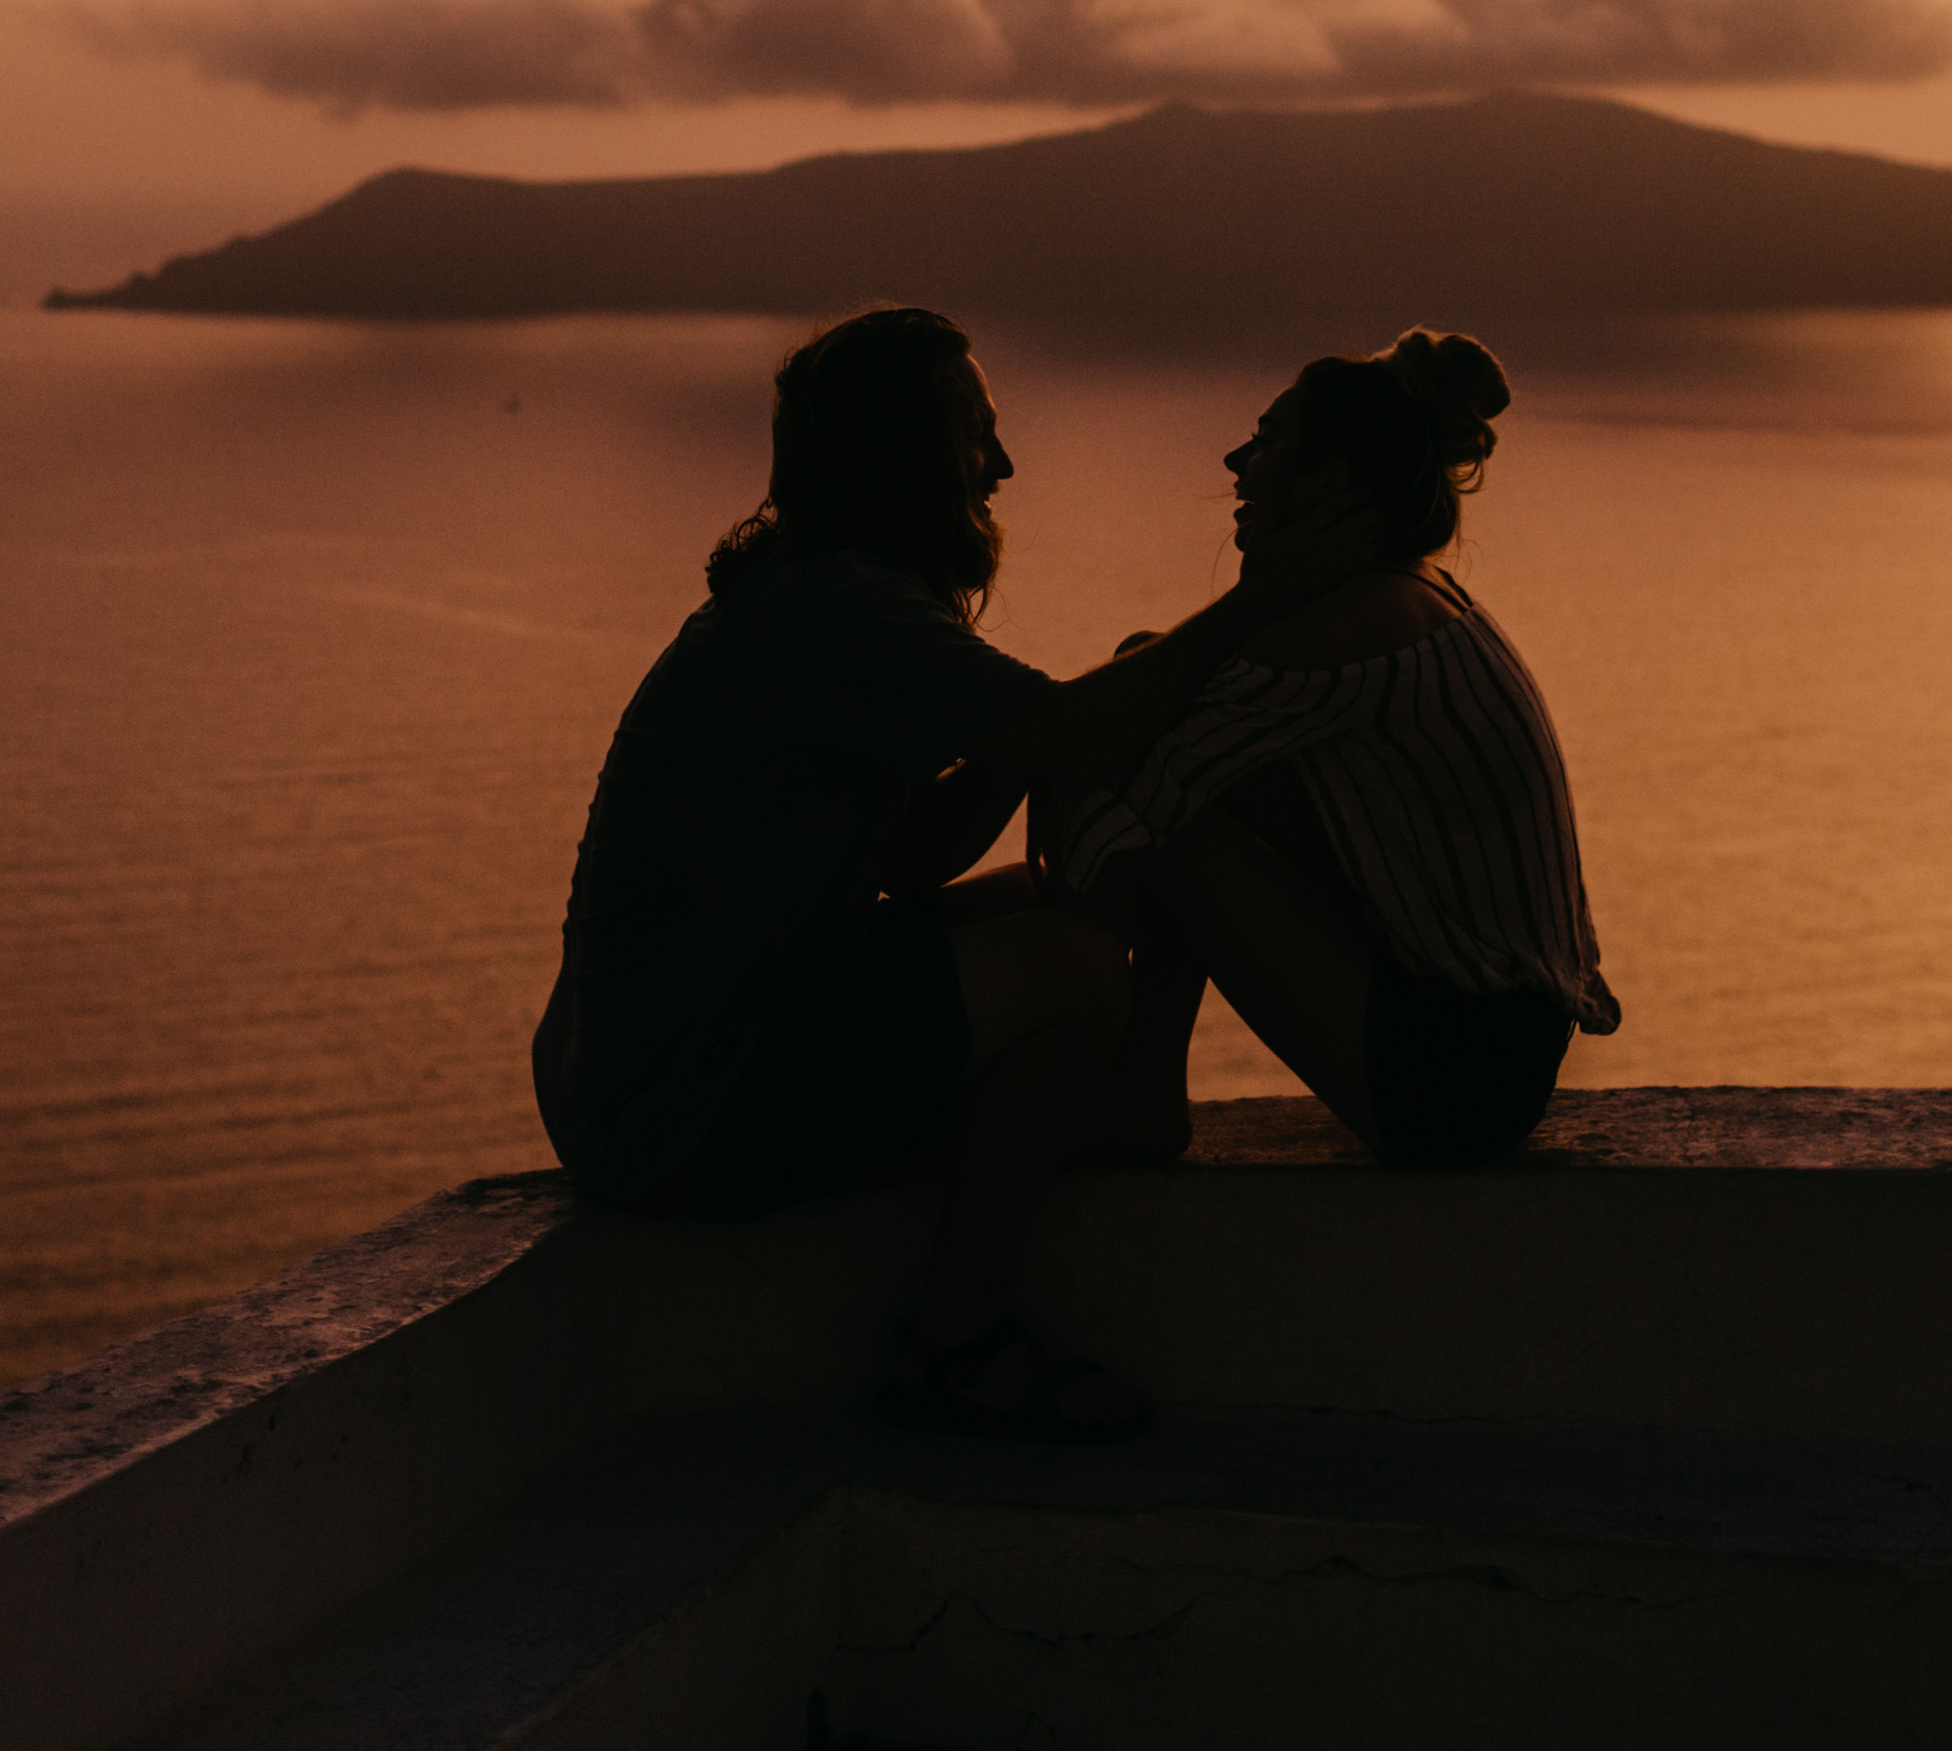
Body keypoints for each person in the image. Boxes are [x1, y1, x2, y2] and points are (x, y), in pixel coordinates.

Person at [530, 304, 1368, 1444]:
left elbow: (920, 853)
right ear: (906, 460)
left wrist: (1023, 737)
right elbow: (1075, 736)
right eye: (977, 434)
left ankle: (1085, 1127)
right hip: (681, 1114)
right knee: (1073, 965)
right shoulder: (845, 612)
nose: (1004, 465)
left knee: (1038, 910)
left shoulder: (811, 598)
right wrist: (1253, 602)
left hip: (642, 1082)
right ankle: (951, 1341)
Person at [1051, 329, 1617, 1171]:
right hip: (1497, 1053)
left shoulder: (1352, 632)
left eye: (1270, 442)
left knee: (1118, 774)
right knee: (1146, 686)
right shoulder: (1409, 594)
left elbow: (1096, 781)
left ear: (1329, 486)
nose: (1237, 459)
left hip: (1453, 1087)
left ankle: (1073, 1089)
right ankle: (1141, 1088)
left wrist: (1034, 910)